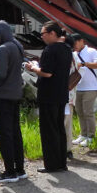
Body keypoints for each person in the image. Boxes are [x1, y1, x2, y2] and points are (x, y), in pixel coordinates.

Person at [24, 21, 72, 173]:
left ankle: (51, 164)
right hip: (61, 93)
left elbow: (47, 72)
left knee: (48, 130)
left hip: (48, 94)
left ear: (52, 33)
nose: (42, 36)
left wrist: (33, 67)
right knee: (59, 128)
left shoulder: (50, 49)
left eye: (43, 33)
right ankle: (61, 162)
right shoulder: (66, 48)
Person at [0, 21, 27, 183]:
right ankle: (19, 169)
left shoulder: (3, 49)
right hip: (15, 94)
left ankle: (9, 171)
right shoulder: (16, 45)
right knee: (15, 133)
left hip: (3, 96)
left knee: (3, 134)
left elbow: (0, 74)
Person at [70, 34, 97, 147]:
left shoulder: (91, 51)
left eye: (75, 44)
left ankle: (91, 136)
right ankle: (83, 134)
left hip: (91, 87)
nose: (74, 47)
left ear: (81, 41)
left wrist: (84, 64)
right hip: (78, 86)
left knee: (88, 111)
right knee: (79, 110)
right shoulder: (73, 54)